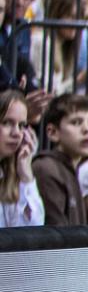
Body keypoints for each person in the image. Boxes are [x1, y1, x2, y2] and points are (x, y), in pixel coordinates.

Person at [33, 92, 88, 226]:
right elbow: (56, 231)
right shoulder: (46, 168)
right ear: (52, 132)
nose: (87, 130)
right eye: (76, 122)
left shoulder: (72, 169)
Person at [0, 88, 43, 227]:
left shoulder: (10, 173)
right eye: (7, 122)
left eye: (21, 125)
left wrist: (26, 176)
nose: (17, 133)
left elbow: (33, 230)